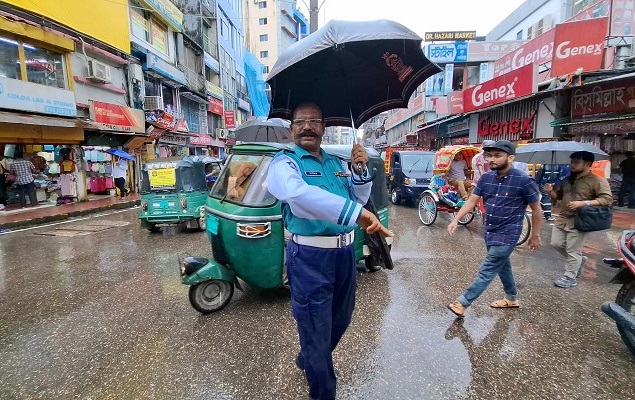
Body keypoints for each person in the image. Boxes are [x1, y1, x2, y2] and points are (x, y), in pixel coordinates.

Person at [266, 103, 393, 400]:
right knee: (316, 326)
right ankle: (322, 391)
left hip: (344, 255)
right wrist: (356, 214)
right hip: (310, 256)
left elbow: (356, 198)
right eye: (300, 121)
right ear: (291, 129)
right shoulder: (284, 163)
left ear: (324, 128)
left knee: (342, 317)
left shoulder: (337, 164)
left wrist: (360, 173)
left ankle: (309, 355)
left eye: (314, 121)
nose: (307, 126)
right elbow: (297, 195)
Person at [447, 140, 542, 318]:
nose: (491, 159)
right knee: (503, 266)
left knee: (488, 268)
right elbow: (471, 201)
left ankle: (462, 302)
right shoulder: (485, 179)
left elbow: (537, 210)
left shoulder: (523, 180)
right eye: (490, 155)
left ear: (511, 158)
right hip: (490, 230)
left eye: (497, 155)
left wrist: (535, 235)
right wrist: (456, 219)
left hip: (509, 233)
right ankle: (512, 298)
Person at [545, 151, 613, 288]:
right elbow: (558, 196)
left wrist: (584, 203)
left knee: (573, 250)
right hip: (563, 218)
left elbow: (607, 199)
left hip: (580, 219)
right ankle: (579, 260)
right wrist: (549, 191)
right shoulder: (567, 179)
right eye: (572, 162)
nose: (572, 165)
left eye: (576, 162)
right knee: (556, 243)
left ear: (588, 164)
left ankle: (570, 277)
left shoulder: (597, 180)